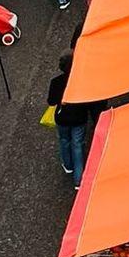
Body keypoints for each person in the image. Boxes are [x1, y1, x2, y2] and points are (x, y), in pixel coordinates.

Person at [48, 50, 99, 186]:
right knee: (78, 145)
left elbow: (51, 101)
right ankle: (79, 179)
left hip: (62, 118)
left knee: (64, 140)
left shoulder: (56, 82)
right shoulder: (82, 81)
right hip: (79, 118)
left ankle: (68, 165)